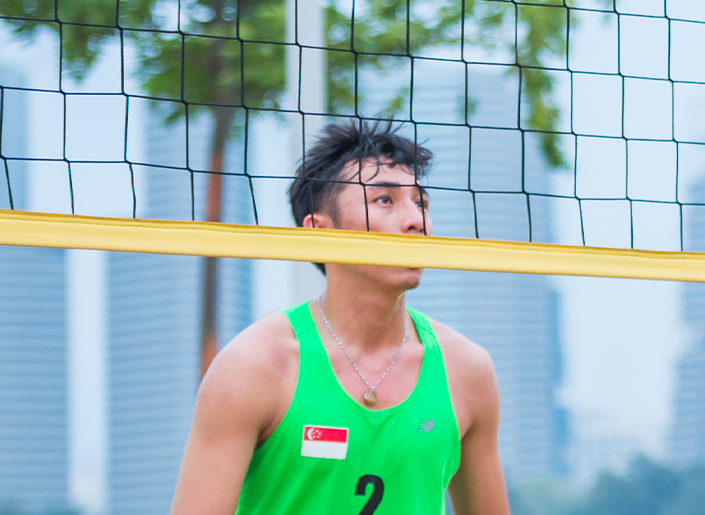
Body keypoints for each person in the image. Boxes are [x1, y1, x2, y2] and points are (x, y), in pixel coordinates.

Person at [169, 122, 509, 515]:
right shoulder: (253, 367)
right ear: (318, 231)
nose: (415, 219)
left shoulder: (466, 371)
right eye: (384, 200)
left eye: (421, 203)